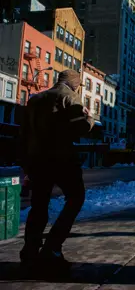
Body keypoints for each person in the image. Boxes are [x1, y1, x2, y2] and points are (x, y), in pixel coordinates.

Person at [19, 70, 94, 273]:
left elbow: (23, 133)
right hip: (61, 159)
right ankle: (52, 248)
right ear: (75, 84)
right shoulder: (69, 96)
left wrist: (26, 164)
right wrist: (90, 119)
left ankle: (30, 252)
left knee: (38, 206)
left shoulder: (35, 99)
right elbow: (80, 128)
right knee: (76, 198)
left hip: (36, 160)